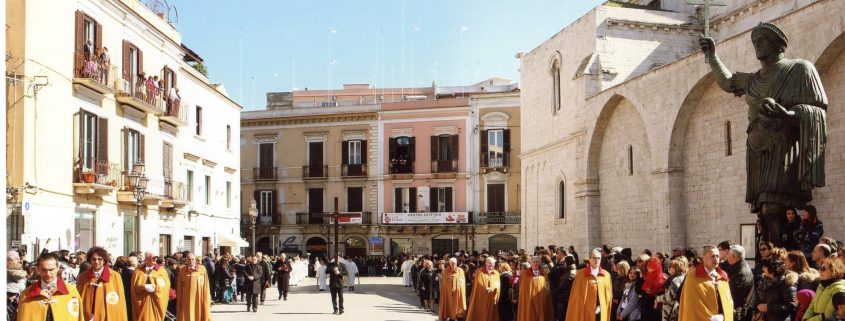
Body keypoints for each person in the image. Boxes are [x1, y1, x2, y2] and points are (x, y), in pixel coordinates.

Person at [17, 253, 85, 321]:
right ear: (38, 269)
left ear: (58, 268)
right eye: (44, 270)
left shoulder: (71, 292)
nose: (48, 274)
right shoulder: (26, 295)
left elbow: (79, 318)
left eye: (51, 270)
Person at [677, 245, 733, 321]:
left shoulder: (723, 276)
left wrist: (724, 316)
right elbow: (691, 306)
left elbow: (728, 302)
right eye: (712, 256)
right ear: (703, 258)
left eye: (717, 256)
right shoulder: (692, 277)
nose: (716, 259)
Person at [76, 247, 127, 321]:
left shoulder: (115, 276)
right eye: (94, 259)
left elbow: (120, 302)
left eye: (99, 259)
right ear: (90, 260)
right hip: (87, 316)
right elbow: (80, 298)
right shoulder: (82, 277)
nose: (96, 262)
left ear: (104, 260)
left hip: (107, 316)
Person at [565, 249, 613, 321]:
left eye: (598, 258)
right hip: (585, 311)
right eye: (594, 258)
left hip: (600, 311)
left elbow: (608, 296)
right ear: (589, 259)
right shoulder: (580, 274)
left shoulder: (606, 275)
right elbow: (576, 296)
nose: (596, 260)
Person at [130, 251, 169, 321]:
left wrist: (156, 288)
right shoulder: (138, 271)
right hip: (142, 302)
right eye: (153, 258)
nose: (156, 259)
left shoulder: (162, 271)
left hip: (156, 302)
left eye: (156, 257)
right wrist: (143, 286)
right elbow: (134, 286)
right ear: (147, 259)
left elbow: (166, 286)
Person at [721, 245, 754, 321]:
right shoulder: (734, 264)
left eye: (728, 255)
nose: (726, 257)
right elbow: (722, 266)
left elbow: (732, 294)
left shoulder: (742, 273)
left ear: (733, 256)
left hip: (739, 313)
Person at [176, 254, 211, 321]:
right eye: (189, 259)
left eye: (192, 259)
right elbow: (179, 286)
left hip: (199, 297)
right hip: (187, 299)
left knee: (199, 313)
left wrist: (206, 296)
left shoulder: (202, 269)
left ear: (195, 260)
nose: (191, 261)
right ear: (186, 260)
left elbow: (206, 284)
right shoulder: (182, 270)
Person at [466, 257, 501, 321]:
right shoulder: (479, 272)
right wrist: (485, 289)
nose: (491, 265)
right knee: (481, 314)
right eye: (490, 263)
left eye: (493, 263)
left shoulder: (496, 273)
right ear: (486, 263)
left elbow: (498, 284)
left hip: (492, 298)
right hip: (481, 298)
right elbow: (478, 283)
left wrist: (493, 288)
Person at [655, 257, 688, 321]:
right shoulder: (683, 277)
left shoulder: (676, 280)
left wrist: (658, 298)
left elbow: (669, 298)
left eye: (671, 267)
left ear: (677, 268)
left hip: (672, 312)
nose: (669, 268)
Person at [554, 255, 577, 319]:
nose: (564, 263)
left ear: (567, 262)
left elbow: (563, 285)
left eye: (564, 262)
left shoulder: (571, 272)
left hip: (564, 297)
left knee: (562, 315)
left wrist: (556, 291)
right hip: (563, 296)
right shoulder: (569, 270)